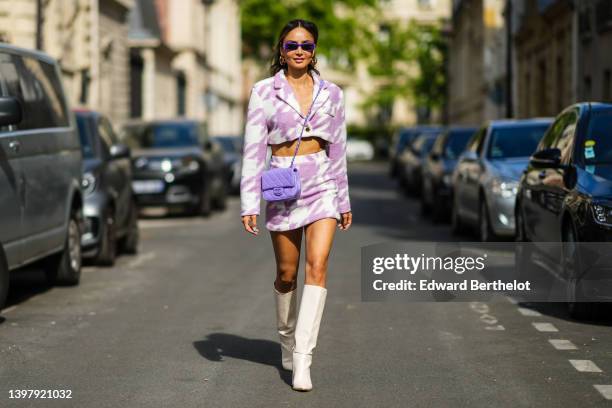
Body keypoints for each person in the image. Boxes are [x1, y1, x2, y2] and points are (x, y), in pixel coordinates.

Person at [239, 19, 352, 391]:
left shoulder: (332, 93)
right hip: (282, 183)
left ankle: (303, 358)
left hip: (321, 182)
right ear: (281, 51)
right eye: (291, 45)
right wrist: (248, 201)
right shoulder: (263, 91)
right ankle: (286, 340)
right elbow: (254, 148)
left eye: (305, 44)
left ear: (314, 50)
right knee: (287, 275)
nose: (299, 50)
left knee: (316, 266)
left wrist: (343, 197)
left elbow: (338, 148)